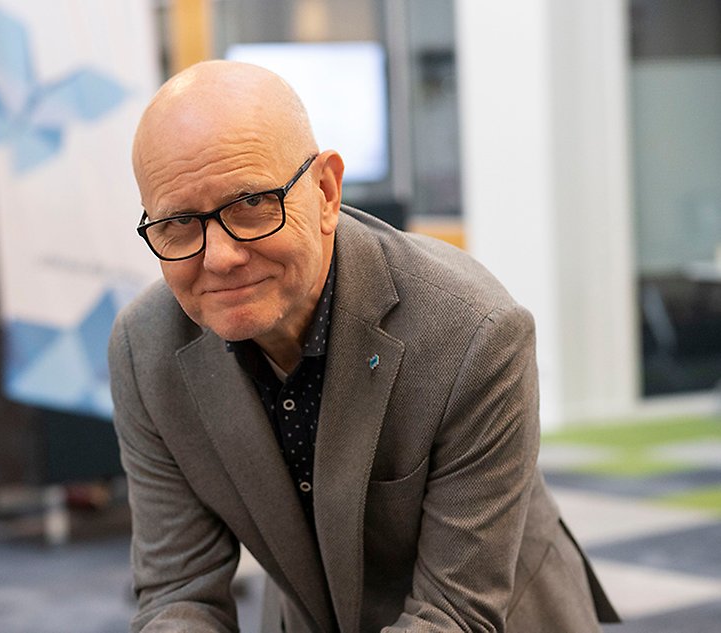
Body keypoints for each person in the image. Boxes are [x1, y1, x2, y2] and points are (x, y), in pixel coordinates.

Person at [109, 60, 619, 633]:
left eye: (251, 204)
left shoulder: (473, 332)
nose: (220, 256)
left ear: (325, 192)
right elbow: (178, 592)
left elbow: (453, 614)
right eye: (179, 222)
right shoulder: (145, 349)